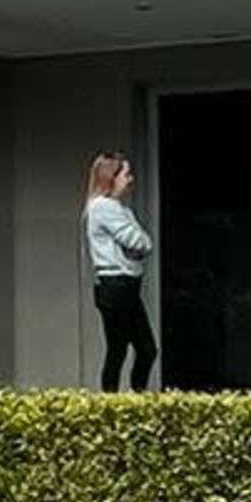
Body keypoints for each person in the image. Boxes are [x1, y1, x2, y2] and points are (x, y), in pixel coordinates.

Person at [83, 152, 157, 390]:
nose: (130, 179)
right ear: (111, 178)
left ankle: (127, 398)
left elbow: (140, 244)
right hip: (116, 285)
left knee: (132, 349)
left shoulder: (117, 209)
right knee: (127, 349)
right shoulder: (104, 207)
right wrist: (139, 245)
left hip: (123, 285)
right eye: (126, 174)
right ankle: (119, 401)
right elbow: (139, 242)